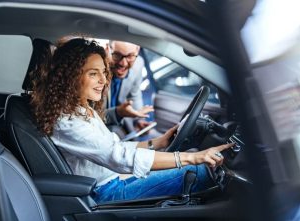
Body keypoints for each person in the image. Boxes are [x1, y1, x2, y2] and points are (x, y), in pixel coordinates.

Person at [31, 38, 233, 203]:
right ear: (71, 77)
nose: (104, 81)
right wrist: (192, 158)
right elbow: (118, 156)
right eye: (93, 74)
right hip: (106, 191)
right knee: (200, 171)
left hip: (113, 178)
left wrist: (157, 143)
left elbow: (114, 146)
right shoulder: (67, 121)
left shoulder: (81, 109)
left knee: (192, 162)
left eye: (103, 72)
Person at [105, 40, 154, 138]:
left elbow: (134, 94)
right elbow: (90, 116)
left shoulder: (138, 63)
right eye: (117, 55)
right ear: (107, 49)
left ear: (138, 50)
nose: (123, 63)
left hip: (122, 123)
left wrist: (138, 119)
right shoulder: (96, 69)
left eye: (130, 56)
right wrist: (117, 113)